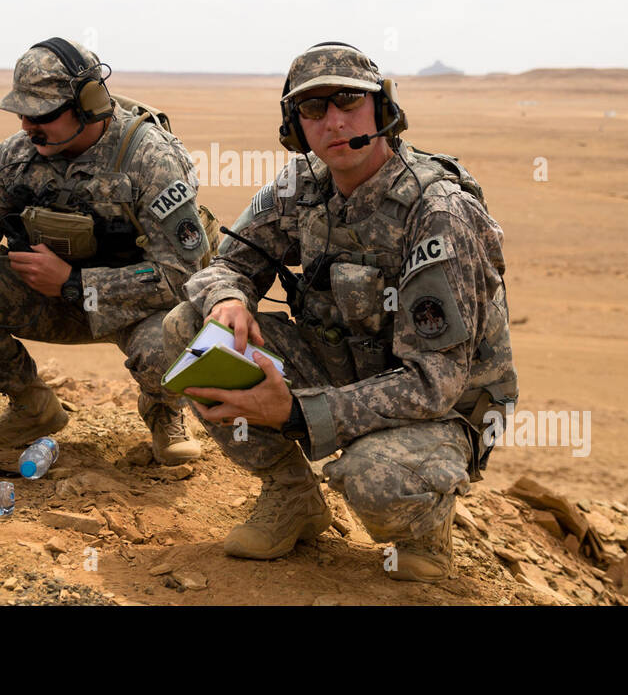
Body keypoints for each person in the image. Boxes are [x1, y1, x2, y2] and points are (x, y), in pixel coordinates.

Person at [163, 41, 518, 582]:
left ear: (382, 110)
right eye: (313, 109)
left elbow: (434, 385)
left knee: (372, 477)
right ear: (295, 126)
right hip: (344, 366)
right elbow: (222, 265)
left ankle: (425, 528)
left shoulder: (437, 211)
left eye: (348, 101)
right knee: (191, 329)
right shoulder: (299, 186)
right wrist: (229, 298)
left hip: (440, 409)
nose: (332, 121)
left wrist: (297, 414)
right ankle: (292, 497)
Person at [0, 37, 210, 470]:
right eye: (22, 113)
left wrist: (76, 283)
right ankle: (32, 406)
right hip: (49, 299)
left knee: (174, 340)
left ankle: (164, 410)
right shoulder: (16, 156)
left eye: (43, 115)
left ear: (89, 104)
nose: (28, 127)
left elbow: (182, 274)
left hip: (137, 306)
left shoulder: (150, 158)